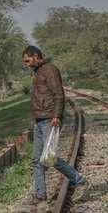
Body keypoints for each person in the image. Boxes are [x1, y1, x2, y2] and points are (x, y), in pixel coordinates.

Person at [22, 45, 90, 205]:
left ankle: (80, 181)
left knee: (50, 158)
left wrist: (56, 116)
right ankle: (39, 195)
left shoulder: (49, 69)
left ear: (36, 55)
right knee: (37, 160)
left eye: (28, 61)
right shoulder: (39, 71)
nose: (27, 64)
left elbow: (59, 94)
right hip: (40, 120)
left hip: (49, 119)